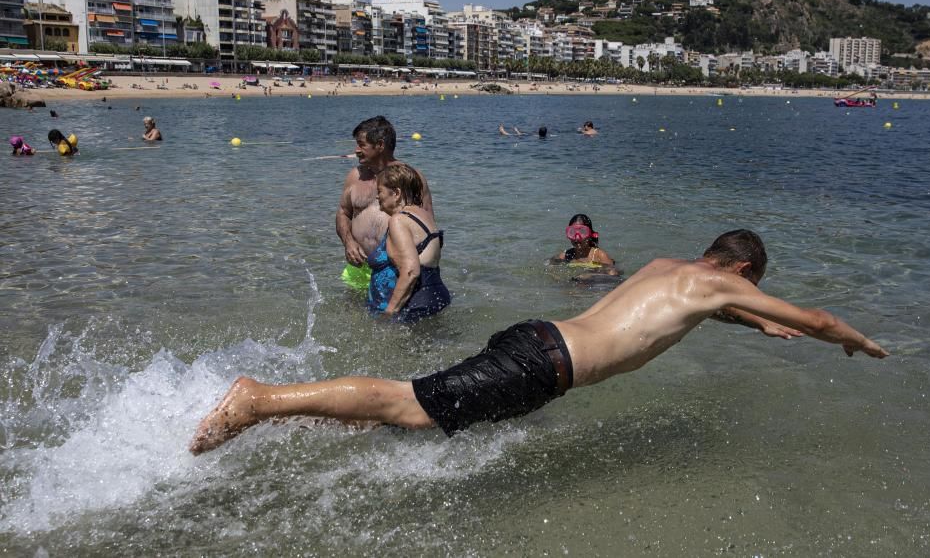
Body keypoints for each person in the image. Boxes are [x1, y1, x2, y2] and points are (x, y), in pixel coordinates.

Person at [189, 230, 889, 454]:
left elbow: (679, 312)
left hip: (537, 340)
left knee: (427, 422)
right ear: (741, 269)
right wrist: (855, 342)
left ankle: (306, 420)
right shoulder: (723, 283)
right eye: (754, 287)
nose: (753, 296)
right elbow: (820, 318)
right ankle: (260, 400)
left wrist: (753, 320)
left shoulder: (673, 270)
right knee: (406, 404)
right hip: (542, 363)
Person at [336, 116, 433, 290]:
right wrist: (348, 242)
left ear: (380, 145)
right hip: (358, 266)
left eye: (361, 144)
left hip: (393, 270)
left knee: (388, 316)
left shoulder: (411, 178)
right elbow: (343, 213)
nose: (356, 150)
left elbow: (428, 227)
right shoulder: (354, 176)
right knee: (350, 314)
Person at [367, 164, 450, 321]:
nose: (377, 197)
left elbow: (411, 271)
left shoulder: (399, 220)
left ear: (396, 193)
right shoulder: (424, 216)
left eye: (380, 191)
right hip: (434, 298)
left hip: (416, 305)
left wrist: (389, 312)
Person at [551, 214, 620, 280]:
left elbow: (614, 274)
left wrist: (590, 275)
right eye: (572, 232)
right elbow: (550, 264)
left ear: (590, 235)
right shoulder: (567, 255)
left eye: (582, 232)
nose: (577, 238)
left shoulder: (599, 255)